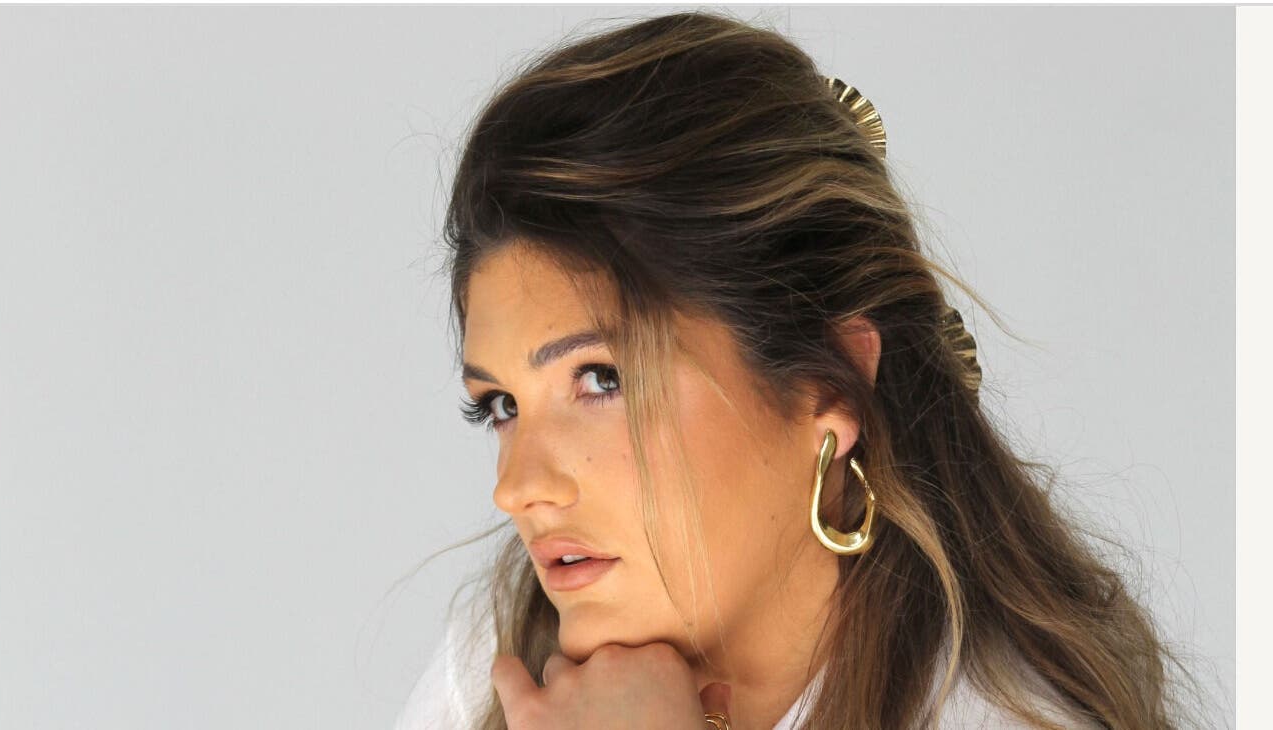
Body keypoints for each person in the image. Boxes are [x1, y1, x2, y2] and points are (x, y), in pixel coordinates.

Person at [396, 10, 1207, 730]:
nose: (517, 488)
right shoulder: (501, 664)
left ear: (830, 385)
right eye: (500, 403)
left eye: (602, 380)